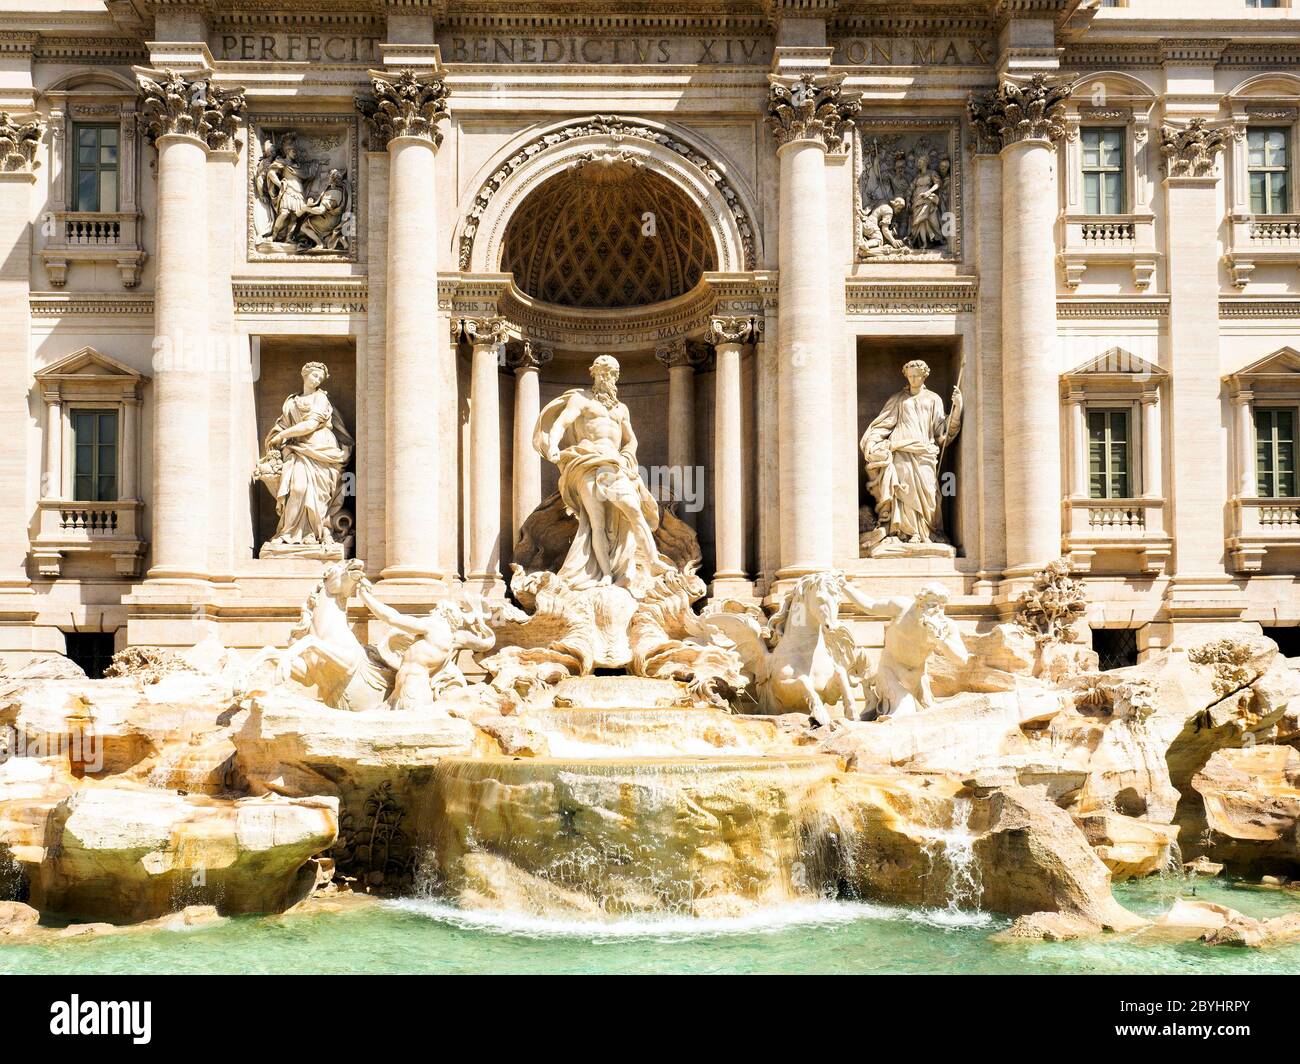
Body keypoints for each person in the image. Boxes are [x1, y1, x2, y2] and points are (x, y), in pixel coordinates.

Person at [533, 355, 673, 596]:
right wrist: (553, 446)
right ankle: (606, 573)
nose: (607, 377)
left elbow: (631, 439)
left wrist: (629, 457)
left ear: (617, 377)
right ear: (594, 374)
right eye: (602, 372)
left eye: (611, 373)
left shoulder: (621, 409)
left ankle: (652, 560)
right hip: (587, 461)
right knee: (595, 522)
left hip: (614, 465)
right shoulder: (581, 400)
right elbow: (562, 423)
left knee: (634, 510)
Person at [860, 360, 961, 544]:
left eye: (917, 375)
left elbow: (942, 431)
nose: (913, 379)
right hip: (901, 449)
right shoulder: (898, 399)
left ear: (924, 375)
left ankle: (927, 532)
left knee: (929, 492)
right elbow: (884, 423)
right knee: (903, 491)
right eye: (910, 376)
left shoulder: (933, 399)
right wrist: (873, 441)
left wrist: (957, 409)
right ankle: (907, 533)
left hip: (924, 452)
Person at [261, 361, 353, 547]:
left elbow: (311, 425)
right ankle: (289, 533)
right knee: (297, 489)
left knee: (317, 494)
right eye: (314, 375)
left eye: (320, 377)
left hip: (320, 449)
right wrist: (278, 436)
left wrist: (283, 435)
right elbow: (283, 425)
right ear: (304, 374)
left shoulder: (321, 399)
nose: (317, 379)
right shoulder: (292, 402)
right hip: (297, 450)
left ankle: (313, 534)